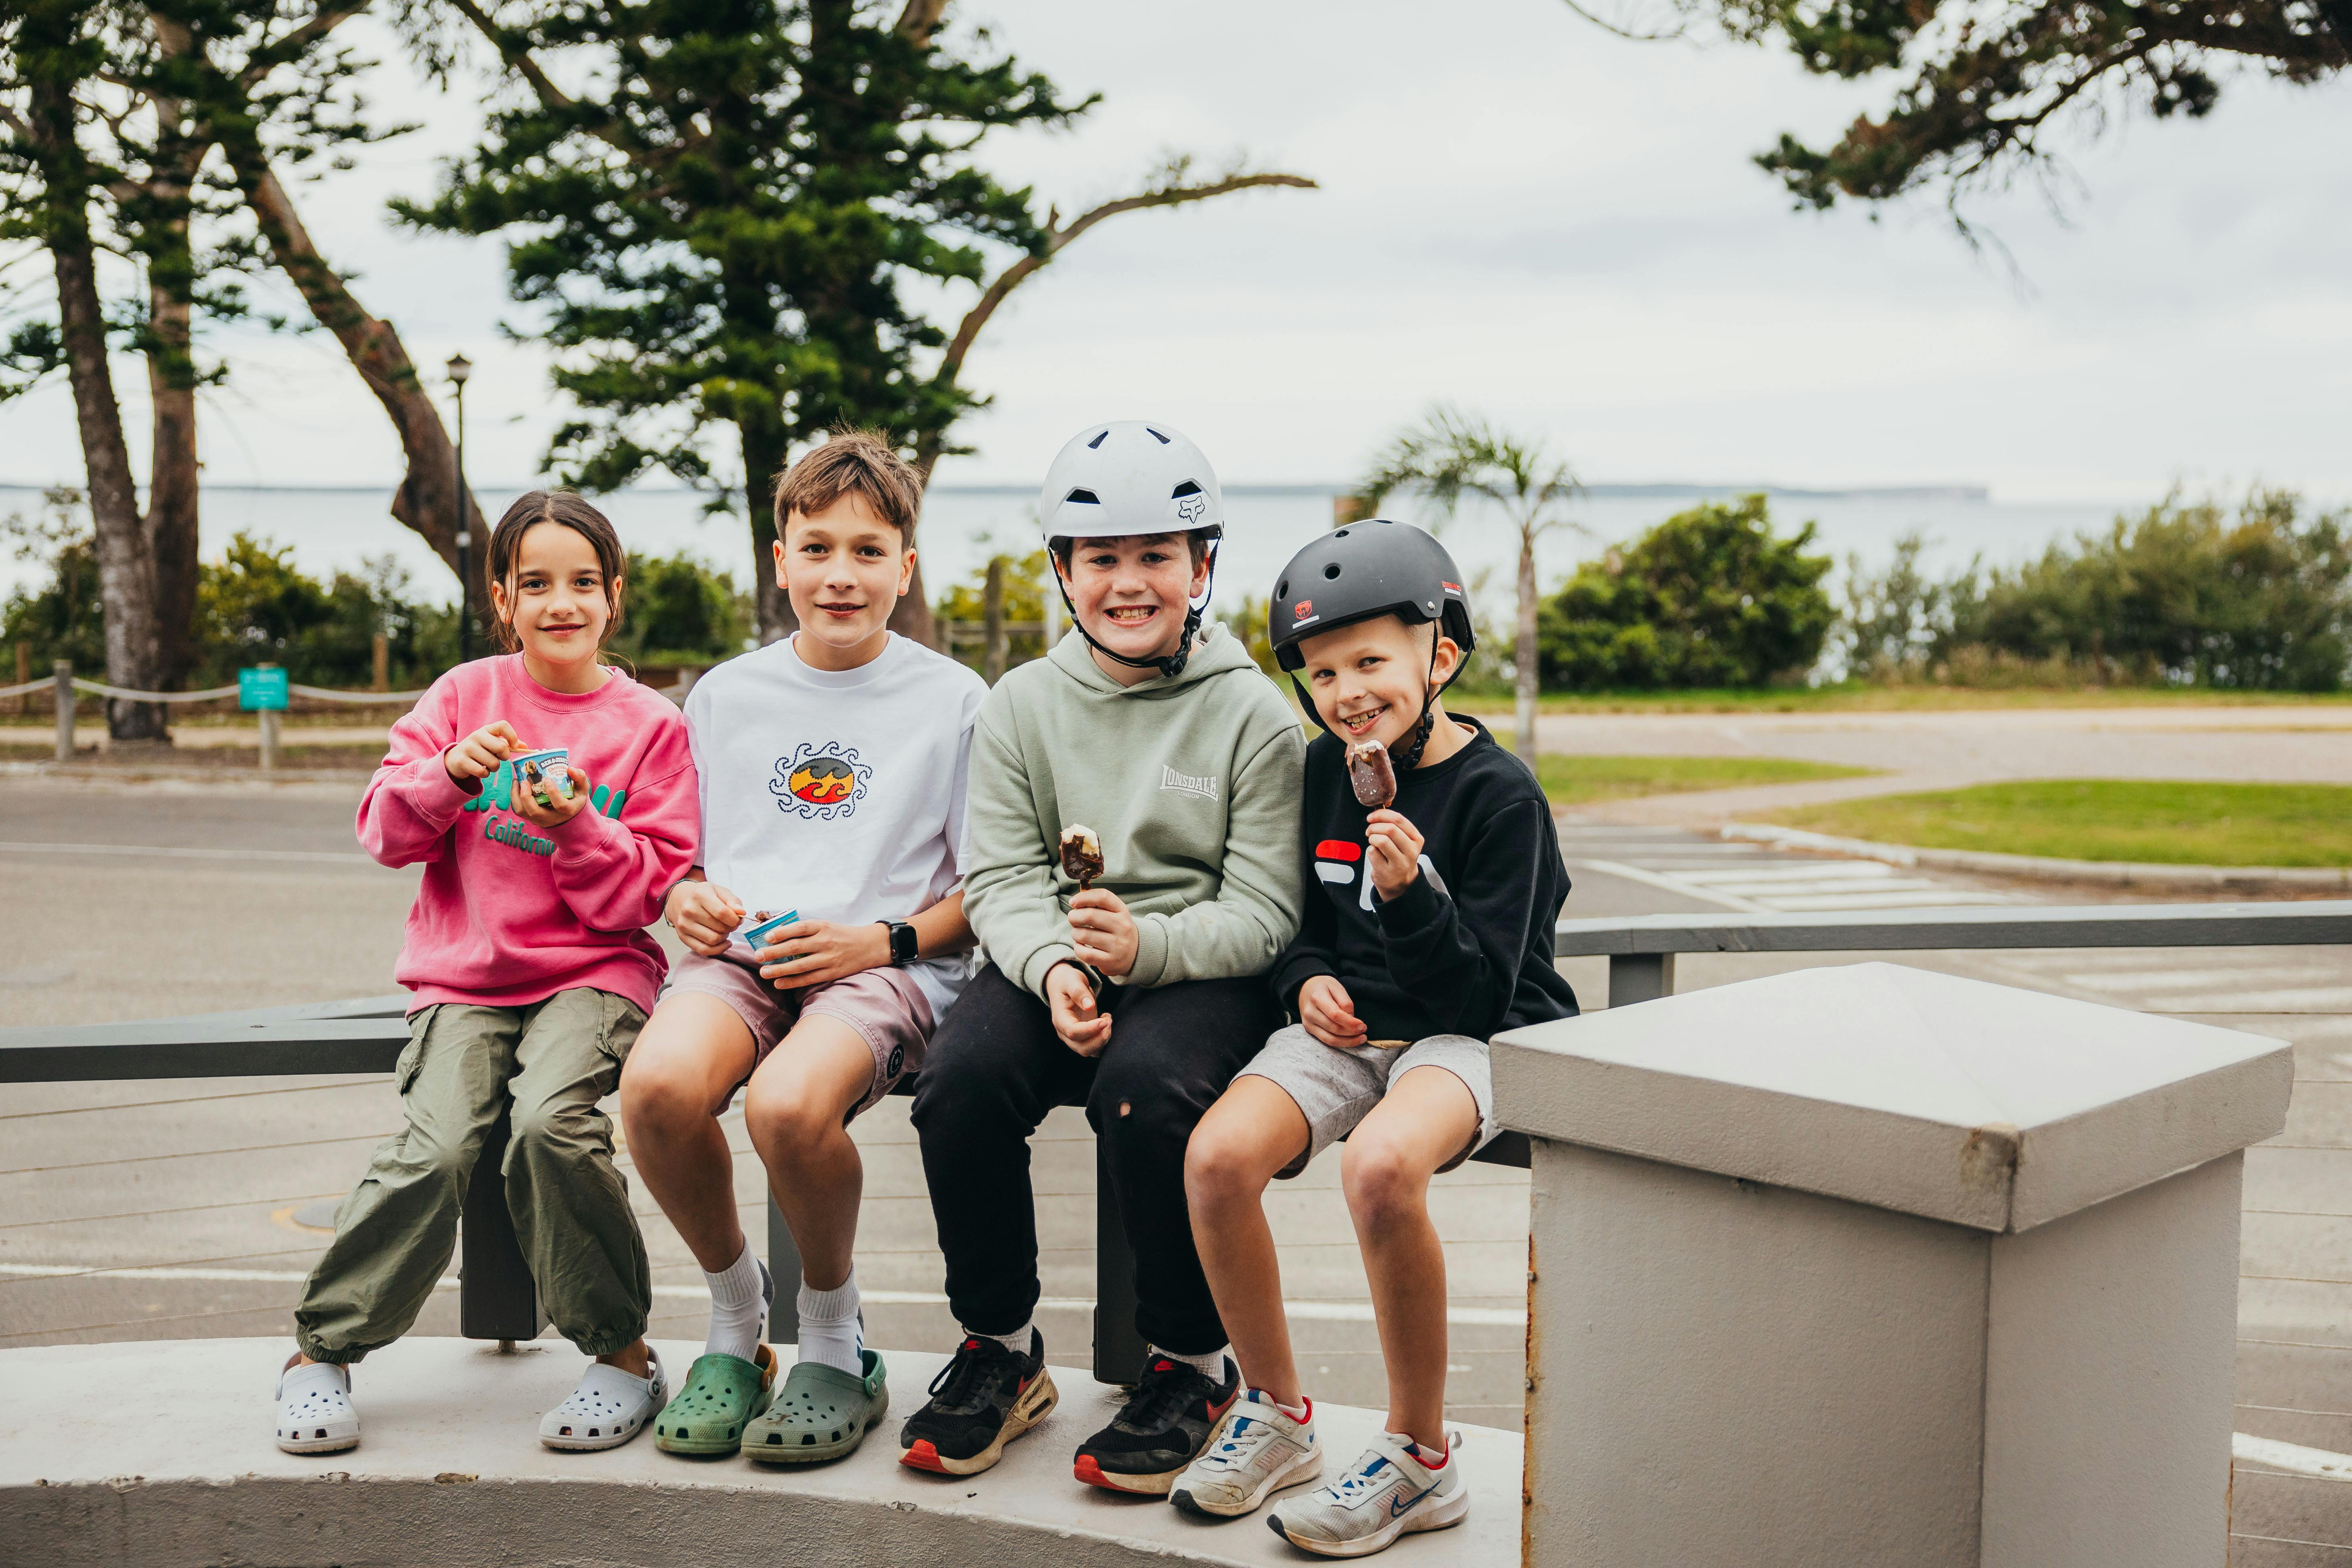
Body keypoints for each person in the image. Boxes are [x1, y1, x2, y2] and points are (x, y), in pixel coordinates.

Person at [897, 421, 1306, 1491]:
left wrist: (1145, 949)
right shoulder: (1022, 705)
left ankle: (1189, 1363)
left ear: (1201, 565)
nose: (1129, 584)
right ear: (1064, 572)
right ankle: (1001, 1347)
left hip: (1198, 969)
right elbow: (999, 878)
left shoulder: (1253, 716)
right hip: (1055, 956)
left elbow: (1263, 912)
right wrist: (1056, 971)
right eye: (1102, 559)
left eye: (1155, 556)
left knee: (1146, 1091)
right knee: (958, 1080)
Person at [1174, 520, 1578, 1555]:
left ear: (1439, 655)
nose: (1347, 690)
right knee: (1217, 1156)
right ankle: (1275, 1411)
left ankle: (1419, 1456)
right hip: (1350, 1030)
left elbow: (1482, 993)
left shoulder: (1501, 797)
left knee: (1384, 1166)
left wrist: (1408, 897)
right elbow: (1297, 926)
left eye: (1371, 661)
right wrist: (1305, 980)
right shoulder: (1323, 773)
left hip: (1473, 1033)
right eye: (1321, 672)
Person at [275, 492, 698, 1456]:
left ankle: (623, 1354)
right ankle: (320, 1354)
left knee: (552, 1127)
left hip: (595, 975)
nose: (563, 602)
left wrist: (578, 824)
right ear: (502, 598)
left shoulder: (651, 726)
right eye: (537, 583)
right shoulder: (463, 696)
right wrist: (452, 777)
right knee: (437, 1148)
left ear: (614, 595)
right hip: (462, 980)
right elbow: (382, 832)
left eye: (584, 582)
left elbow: (645, 897)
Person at [619, 431, 985, 1464]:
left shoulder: (955, 699)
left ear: (906, 569)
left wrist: (878, 938)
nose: (841, 574)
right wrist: (685, 895)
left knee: (786, 1106)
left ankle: (834, 1337)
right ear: (779, 558)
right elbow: (678, 861)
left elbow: (986, 889)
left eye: (870, 552)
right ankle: (738, 1321)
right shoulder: (727, 695)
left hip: (884, 966)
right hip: (745, 957)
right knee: (654, 1091)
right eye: (816, 547)